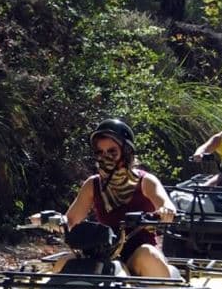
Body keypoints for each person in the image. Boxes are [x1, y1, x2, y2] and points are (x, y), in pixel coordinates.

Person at [65, 118, 177, 278]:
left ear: (126, 152)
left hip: (139, 253)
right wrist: (51, 220)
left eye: (112, 151)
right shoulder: (93, 184)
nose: (105, 157)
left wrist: (166, 210)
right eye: (100, 152)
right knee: (65, 261)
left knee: (148, 255)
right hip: (104, 254)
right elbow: (70, 219)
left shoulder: (146, 181)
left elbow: (165, 203)